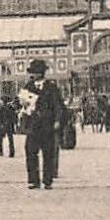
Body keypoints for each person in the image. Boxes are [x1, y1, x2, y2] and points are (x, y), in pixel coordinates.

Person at [22, 60, 62, 190]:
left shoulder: (51, 87)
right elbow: (22, 104)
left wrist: (57, 120)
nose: (33, 74)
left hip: (47, 124)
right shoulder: (28, 87)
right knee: (30, 152)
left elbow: (58, 105)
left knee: (48, 153)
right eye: (32, 72)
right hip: (32, 125)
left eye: (35, 72)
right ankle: (33, 180)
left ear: (41, 73)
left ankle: (47, 180)